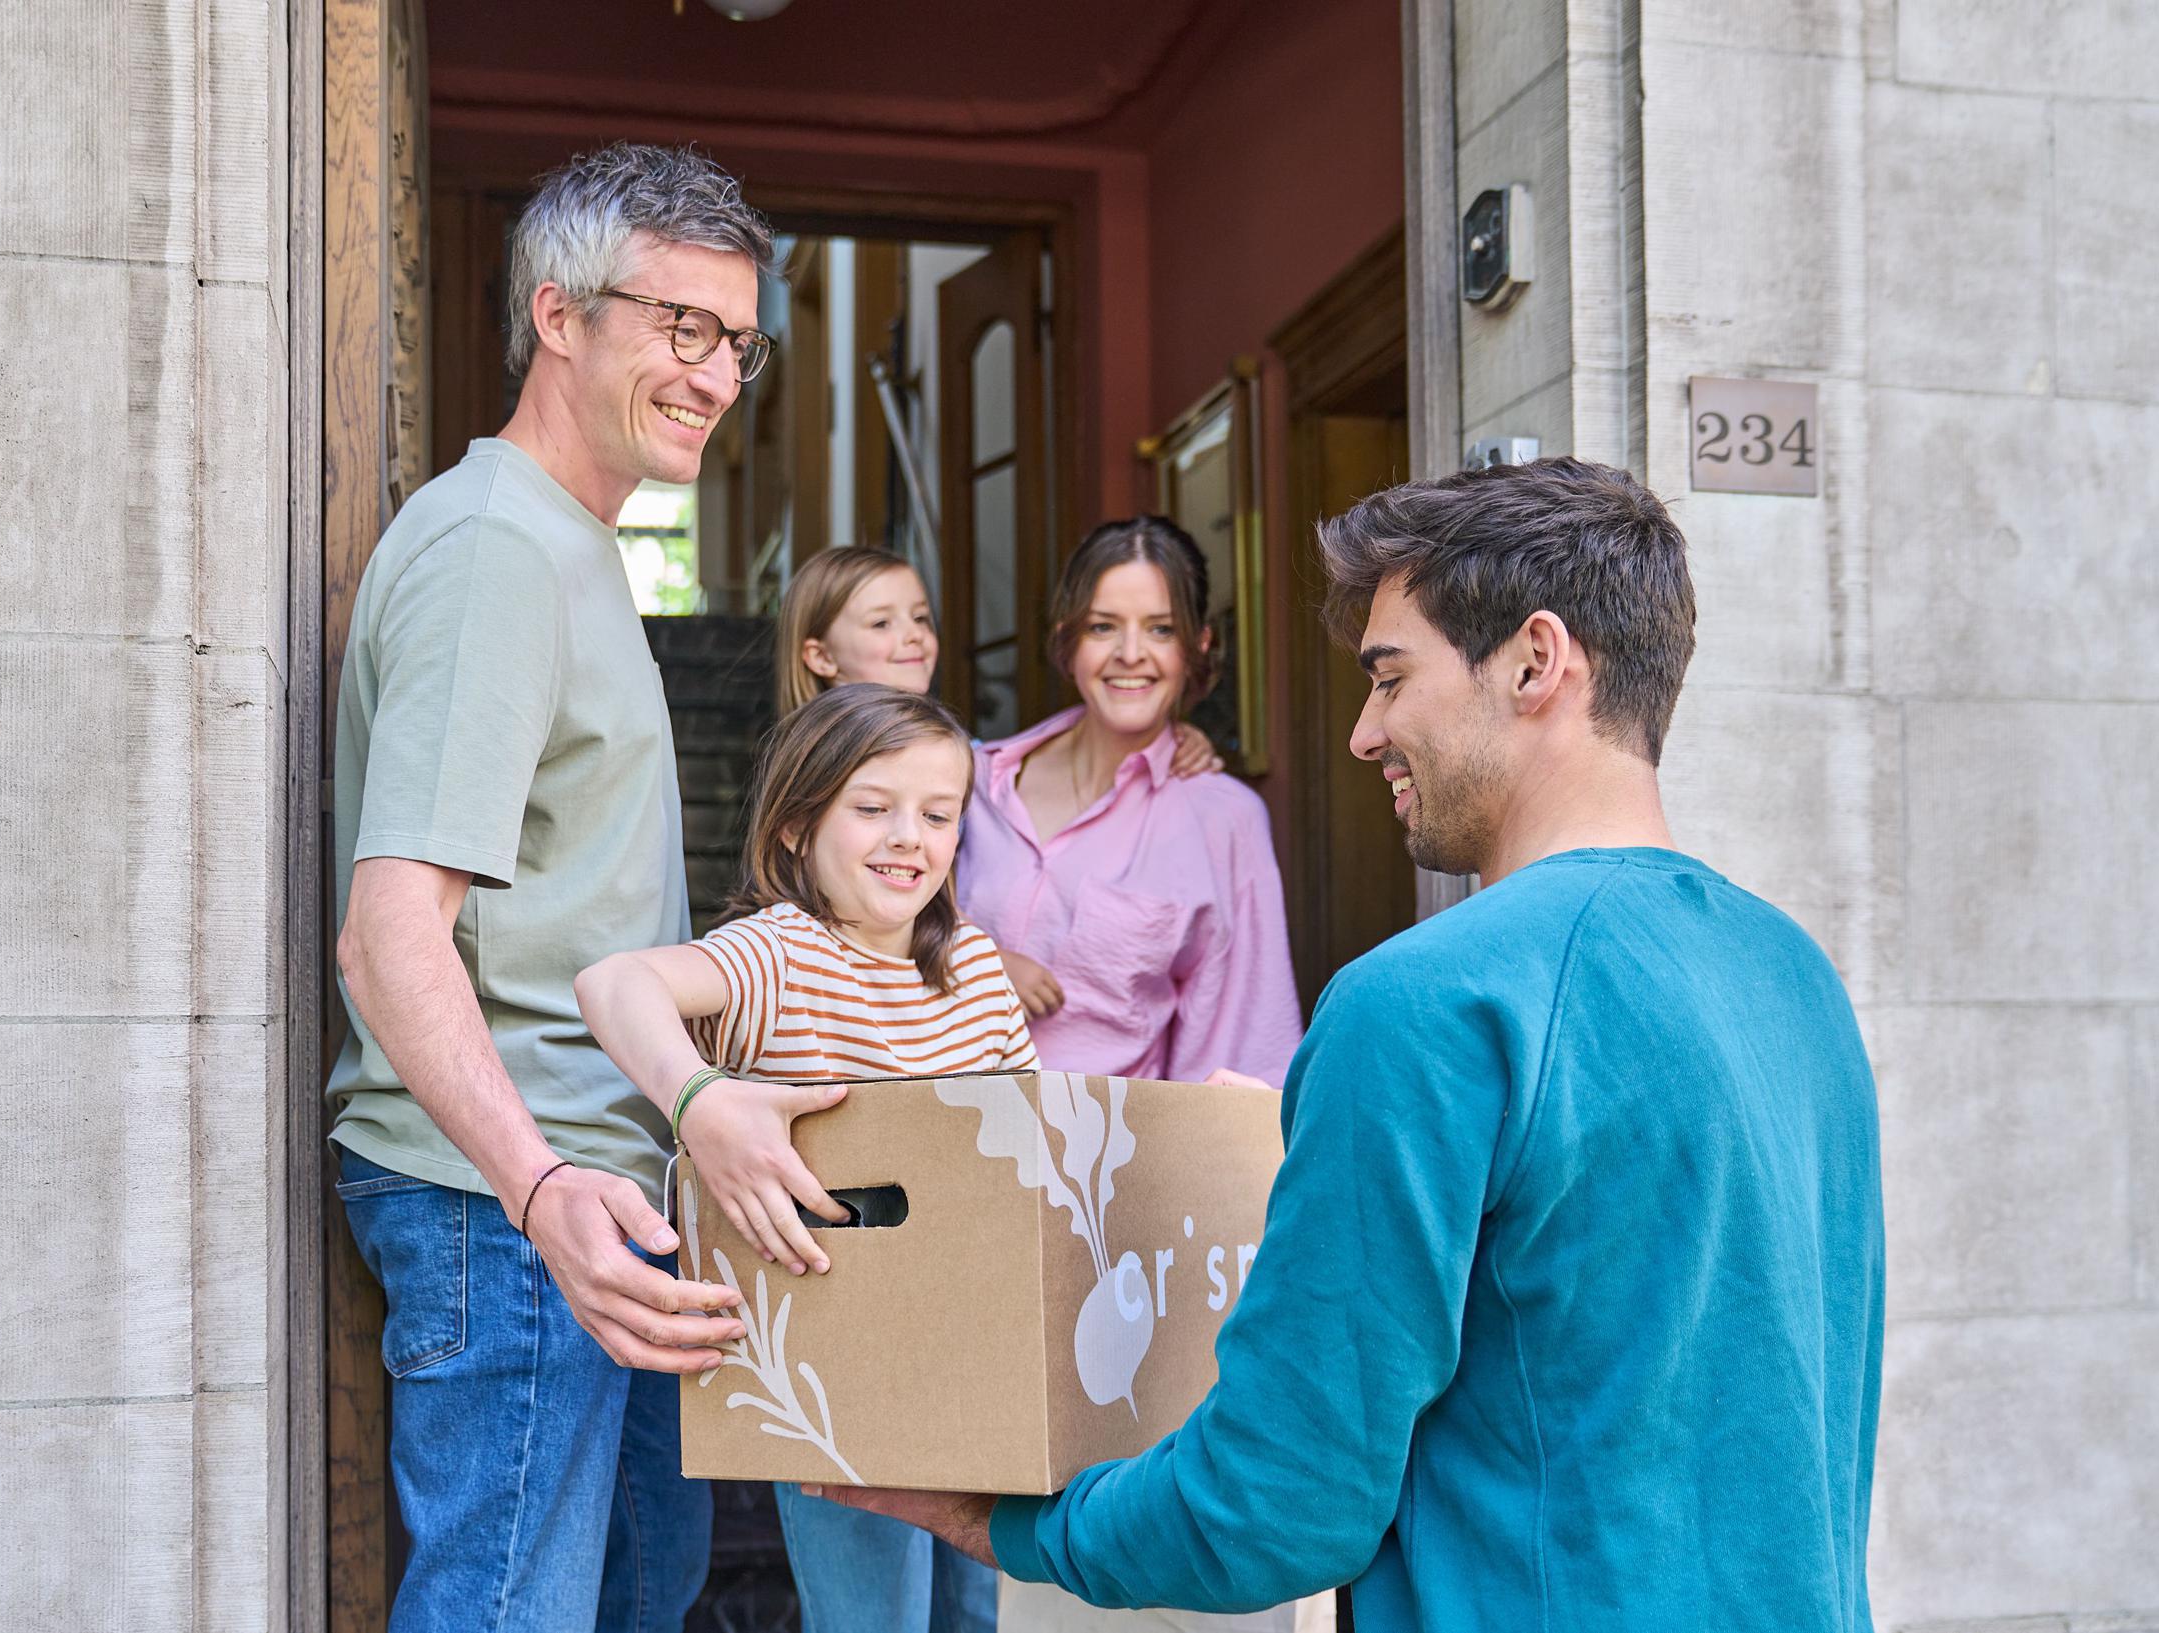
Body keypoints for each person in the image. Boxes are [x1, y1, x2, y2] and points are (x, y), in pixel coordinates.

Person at [817, 458, 1886, 1633]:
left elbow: (1277, 1504)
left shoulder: (1424, 1003)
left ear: (1536, 662)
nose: (1363, 731)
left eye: (1389, 677)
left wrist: (995, 1518)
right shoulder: (1796, 977)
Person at [325, 142, 777, 1632]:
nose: (716, 374)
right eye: (681, 327)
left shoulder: (576, 545)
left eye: (739, 339)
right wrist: (542, 1193)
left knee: (645, 1600)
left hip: (600, 1201)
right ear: (559, 316)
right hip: (517, 1214)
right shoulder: (494, 551)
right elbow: (389, 935)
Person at [576, 683, 1039, 1633]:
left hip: (972, 1357)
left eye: (938, 814)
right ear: (795, 829)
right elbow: (612, 981)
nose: (908, 835)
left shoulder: (979, 970)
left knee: (974, 1615)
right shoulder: (777, 955)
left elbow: (1039, 1147)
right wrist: (697, 1096)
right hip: (835, 1373)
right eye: (872, 808)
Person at [954, 518, 1302, 1087]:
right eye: (1103, 627)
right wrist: (974, 960)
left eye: (1161, 630)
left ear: (1199, 646)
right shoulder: (971, 784)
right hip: (937, 1134)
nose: (1131, 654)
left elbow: (1239, 1043)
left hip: (1106, 1162)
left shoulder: (1223, 817)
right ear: (1069, 638)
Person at [773, 542, 1227, 771]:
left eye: (921, 619)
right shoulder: (821, 762)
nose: (913, 637)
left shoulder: (953, 748)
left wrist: (1167, 737)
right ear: (820, 657)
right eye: (881, 624)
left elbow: (1013, 767)